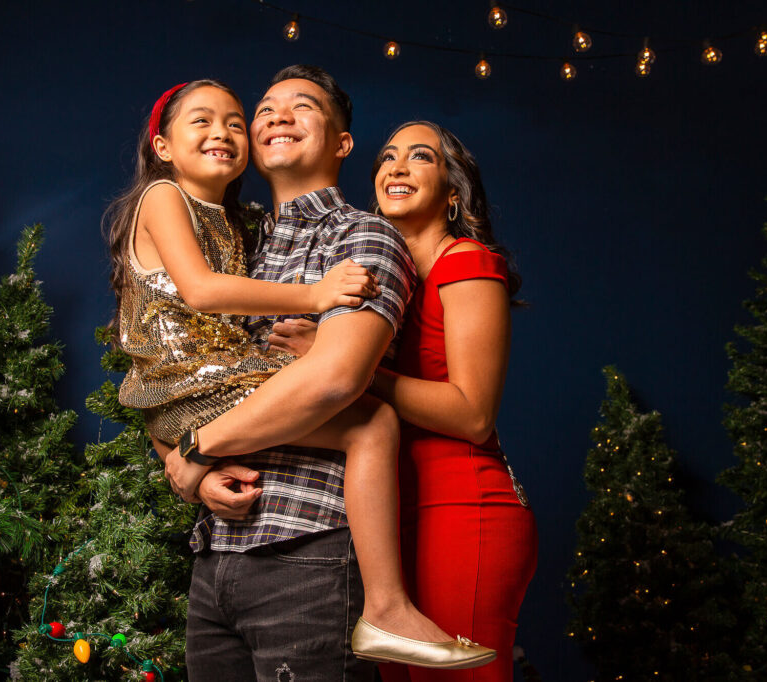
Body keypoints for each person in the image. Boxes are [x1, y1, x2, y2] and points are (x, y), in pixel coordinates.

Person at [107, 76, 494, 681]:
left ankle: (388, 609)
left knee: (370, 421)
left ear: (342, 144)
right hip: (215, 562)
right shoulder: (235, 242)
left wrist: (194, 450)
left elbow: (335, 379)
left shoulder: (360, 237)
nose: (273, 118)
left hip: (306, 557)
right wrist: (188, 472)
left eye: (301, 107)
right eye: (264, 110)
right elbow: (172, 368)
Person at [272, 121, 538, 682]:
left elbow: (472, 413)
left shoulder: (466, 262)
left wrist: (344, 363)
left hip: (462, 508)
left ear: (453, 191)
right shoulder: (374, 278)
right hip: (389, 520)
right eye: (388, 157)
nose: (396, 167)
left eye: (421, 157)